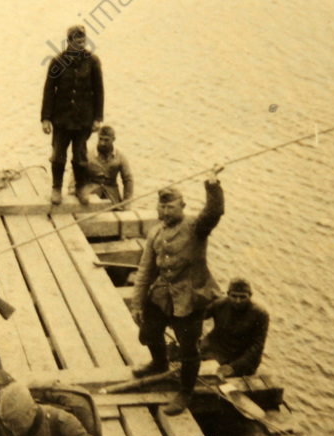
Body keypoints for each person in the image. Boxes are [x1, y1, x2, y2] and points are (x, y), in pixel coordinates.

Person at [130, 166, 224, 416]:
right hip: (163, 294)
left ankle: (185, 391)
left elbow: (214, 212)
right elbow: (145, 270)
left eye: (170, 207)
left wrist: (212, 184)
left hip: (191, 296)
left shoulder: (196, 226)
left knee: (188, 348)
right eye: (161, 207)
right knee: (149, 331)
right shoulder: (155, 233)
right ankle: (159, 363)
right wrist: (137, 303)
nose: (164, 212)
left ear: (182, 207)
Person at [41, 25, 104, 206]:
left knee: (80, 155)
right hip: (61, 119)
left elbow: (99, 91)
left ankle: (80, 187)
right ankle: (56, 188)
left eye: (83, 41)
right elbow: (48, 91)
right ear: (68, 42)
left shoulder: (93, 62)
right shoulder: (57, 62)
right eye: (76, 41)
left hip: (83, 119)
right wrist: (46, 118)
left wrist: (98, 118)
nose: (80, 44)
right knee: (58, 155)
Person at [201, 277, 270, 378]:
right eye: (234, 296)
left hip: (241, 356)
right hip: (217, 350)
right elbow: (198, 317)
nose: (238, 301)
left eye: (242, 297)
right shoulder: (219, 304)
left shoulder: (260, 315)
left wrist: (234, 367)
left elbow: (256, 348)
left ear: (250, 296)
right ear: (228, 294)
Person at [81, 125, 134, 207]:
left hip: (112, 197)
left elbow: (128, 179)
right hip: (90, 193)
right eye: (100, 139)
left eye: (106, 140)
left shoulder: (120, 157)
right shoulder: (88, 154)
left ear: (113, 139)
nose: (102, 143)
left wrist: (127, 201)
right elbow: (76, 174)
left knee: (118, 211)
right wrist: (73, 191)